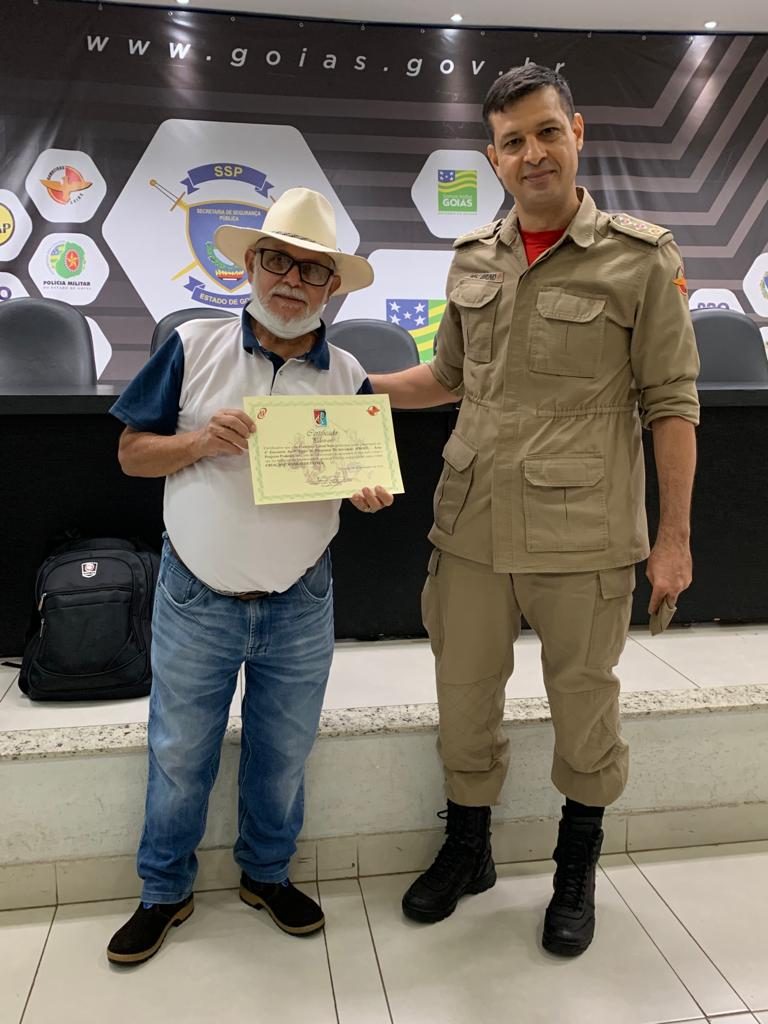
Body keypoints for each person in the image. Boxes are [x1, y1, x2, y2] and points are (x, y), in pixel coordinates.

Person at [369, 64, 699, 957]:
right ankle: (469, 847)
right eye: (512, 141)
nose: (533, 153)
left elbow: (672, 402)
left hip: (585, 531)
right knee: (464, 695)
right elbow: (446, 377)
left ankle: (575, 865)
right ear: (494, 158)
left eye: (547, 131)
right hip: (472, 524)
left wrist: (673, 539)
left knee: (584, 706)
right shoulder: (474, 257)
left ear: (577, 133)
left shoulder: (641, 258)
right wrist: (350, 389)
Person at [106, 187, 392, 965]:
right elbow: (131, 453)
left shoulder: (350, 375)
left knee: (285, 752)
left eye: (312, 269)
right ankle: (164, 889)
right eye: (277, 261)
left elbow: (358, 472)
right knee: (178, 752)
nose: (292, 281)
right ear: (250, 266)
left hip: (300, 598)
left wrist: (364, 490)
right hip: (196, 595)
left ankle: (266, 875)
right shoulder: (192, 344)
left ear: (332, 287)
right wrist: (198, 442)